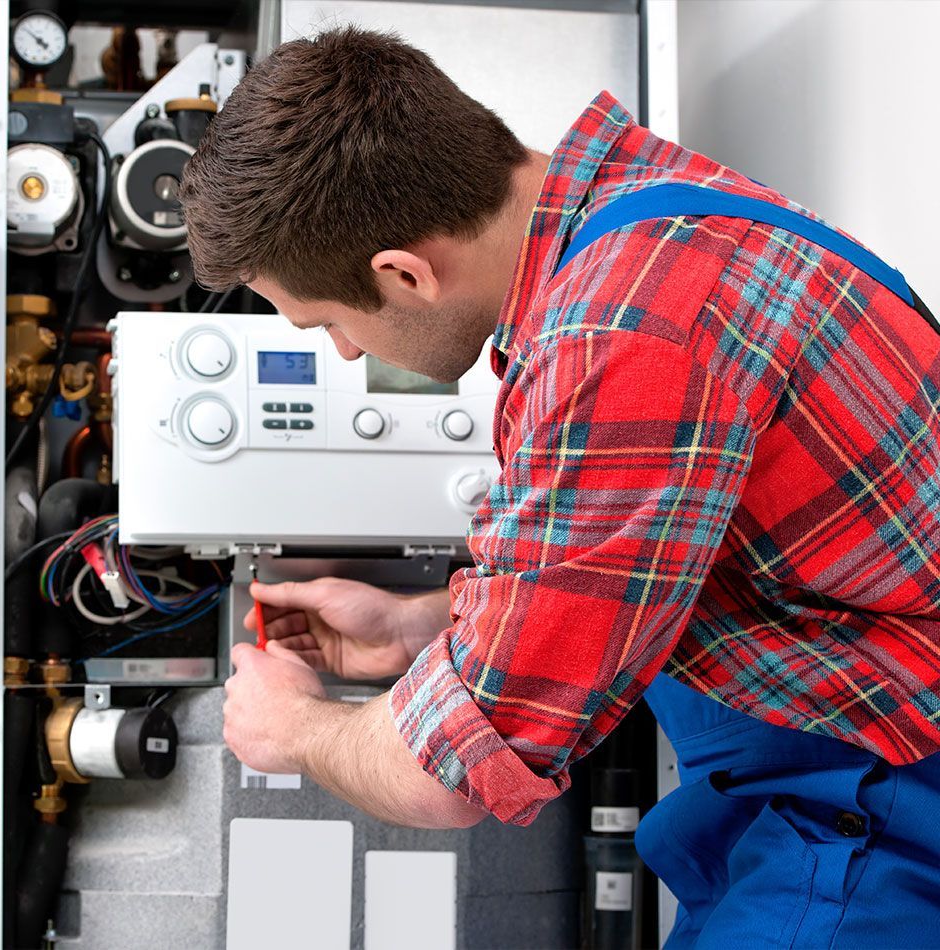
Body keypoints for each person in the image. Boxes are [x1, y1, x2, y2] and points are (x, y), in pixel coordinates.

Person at [179, 27, 940, 946]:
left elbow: (447, 777)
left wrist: (293, 727)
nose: (340, 351)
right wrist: (421, 629)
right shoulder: (640, 208)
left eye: (325, 322)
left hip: (890, 786)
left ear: (404, 274)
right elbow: (641, 569)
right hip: (827, 740)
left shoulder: (621, 340)